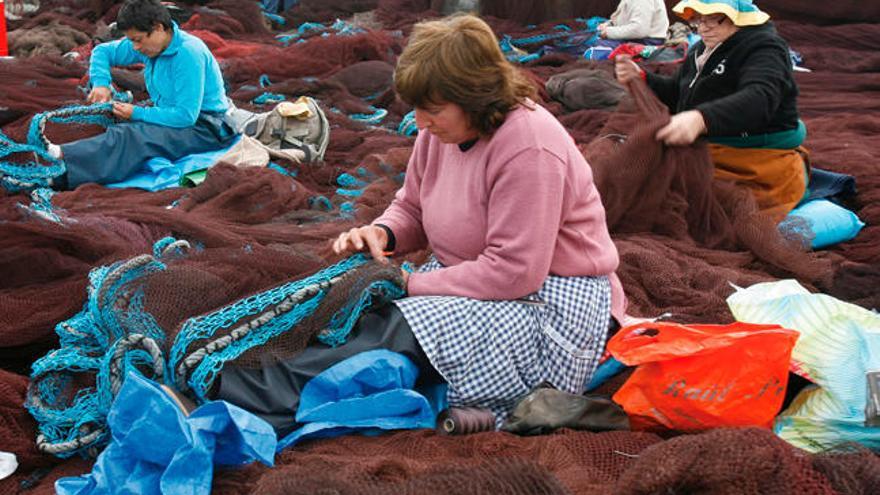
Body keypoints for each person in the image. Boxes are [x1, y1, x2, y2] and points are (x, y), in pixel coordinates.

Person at [210, 13, 626, 435]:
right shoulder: (438, 132)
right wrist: (383, 233)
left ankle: (245, 399)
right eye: (418, 110)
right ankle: (245, 379)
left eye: (433, 110)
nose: (421, 122)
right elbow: (412, 206)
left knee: (398, 326)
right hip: (473, 279)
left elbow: (514, 272)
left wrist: (410, 284)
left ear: (476, 96)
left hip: (547, 308)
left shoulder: (530, 148)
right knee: (356, 309)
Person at [614, 0, 808, 219]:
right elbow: (679, 93)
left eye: (716, 19)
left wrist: (700, 119)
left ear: (739, 17)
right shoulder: (701, 49)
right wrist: (643, 78)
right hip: (710, 150)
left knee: (686, 204)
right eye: (700, 19)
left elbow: (760, 98)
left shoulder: (764, 48)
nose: (704, 27)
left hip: (752, 159)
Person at [46, 0, 235, 189]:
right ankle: (71, 161)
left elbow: (186, 116)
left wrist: (137, 113)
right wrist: (101, 83)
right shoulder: (151, 45)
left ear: (158, 28)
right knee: (114, 124)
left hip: (205, 129)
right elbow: (102, 51)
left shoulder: (188, 54)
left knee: (132, 136)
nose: (135, 47)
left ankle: (62, 165)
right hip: (173, 115)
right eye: (131, 40)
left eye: (137, 40)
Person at [597, 0, 670, 48]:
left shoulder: (642, 1)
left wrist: (608, 32)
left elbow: (639, 30)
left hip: (646, 42)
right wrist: (609, 24)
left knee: (593, 45)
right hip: (638, 39)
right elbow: (626, 18)